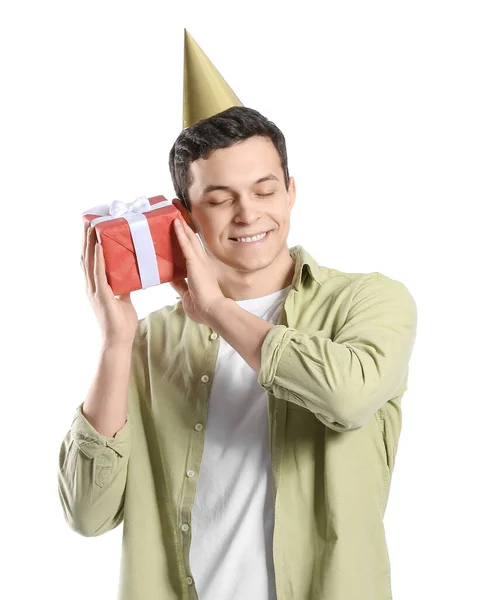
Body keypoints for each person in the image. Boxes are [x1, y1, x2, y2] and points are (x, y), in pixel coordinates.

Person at [58, 103, 417, 600]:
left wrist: (216, 309)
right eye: (221, 199)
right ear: (183, 217)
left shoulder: (368, 302)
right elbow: (86, 513)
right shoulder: (148, 344)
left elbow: (347, 399)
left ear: (291, 194)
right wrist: (117, 343)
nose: (248, 213)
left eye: (266, 191)